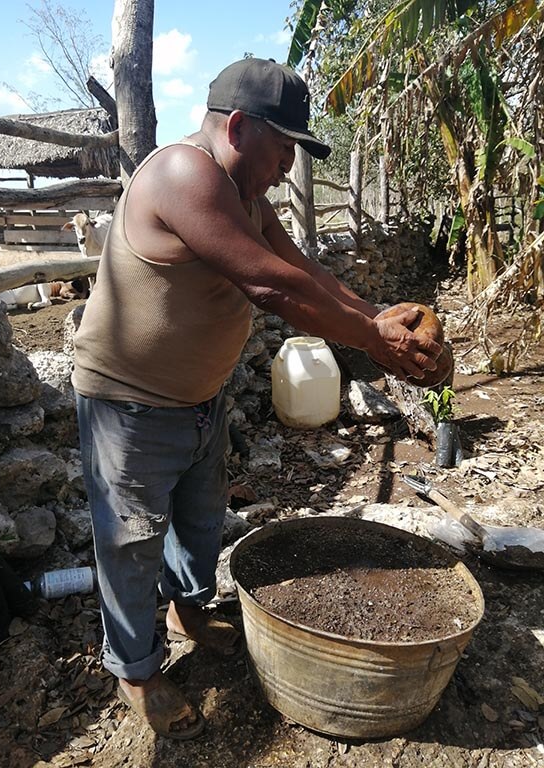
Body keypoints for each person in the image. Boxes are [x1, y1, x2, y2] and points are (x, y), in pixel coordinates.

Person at [72, 57, 441, 740]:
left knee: (200, 521)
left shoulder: (247, 195)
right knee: (129, 543)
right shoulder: (183, 175)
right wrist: (375, 343)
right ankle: (136, 670)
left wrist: (379, 315)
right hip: (129, 404)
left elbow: (303, 270)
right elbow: (270, 288)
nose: (287, 167)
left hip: (198, 398)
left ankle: (186, 610)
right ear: (239, 127)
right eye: (284, 148)